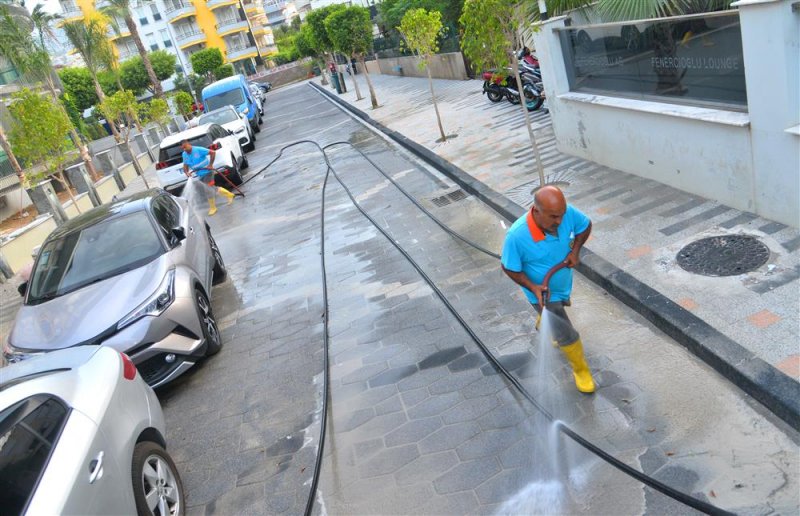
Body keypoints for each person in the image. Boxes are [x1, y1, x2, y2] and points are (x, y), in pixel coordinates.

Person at [500, 185, 595, 393]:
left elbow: (585, 225)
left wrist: (575, 251)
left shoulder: (565, 213)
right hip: (542, 293)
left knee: (553, 312)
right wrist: (533, 287)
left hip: (561, 285)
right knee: (565, 333)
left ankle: (544, 318)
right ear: (536, 211)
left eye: (561, 215)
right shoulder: (516, 236)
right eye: (553, 217)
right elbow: (509, 267)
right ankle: (581, 370)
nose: (560, 222)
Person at [181, 140, 234, 216]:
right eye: (183, 148)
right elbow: (185, 165)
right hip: (200, 175)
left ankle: (213, 208)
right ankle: (229, 194)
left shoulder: (198, 149)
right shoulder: (184, 154)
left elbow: (212, 152)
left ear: (189, 144)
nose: (185, 149)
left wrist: (210, 165)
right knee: (211, 188)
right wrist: (186, 172)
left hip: (208, 172)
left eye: (185, 147)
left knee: (208, 189)